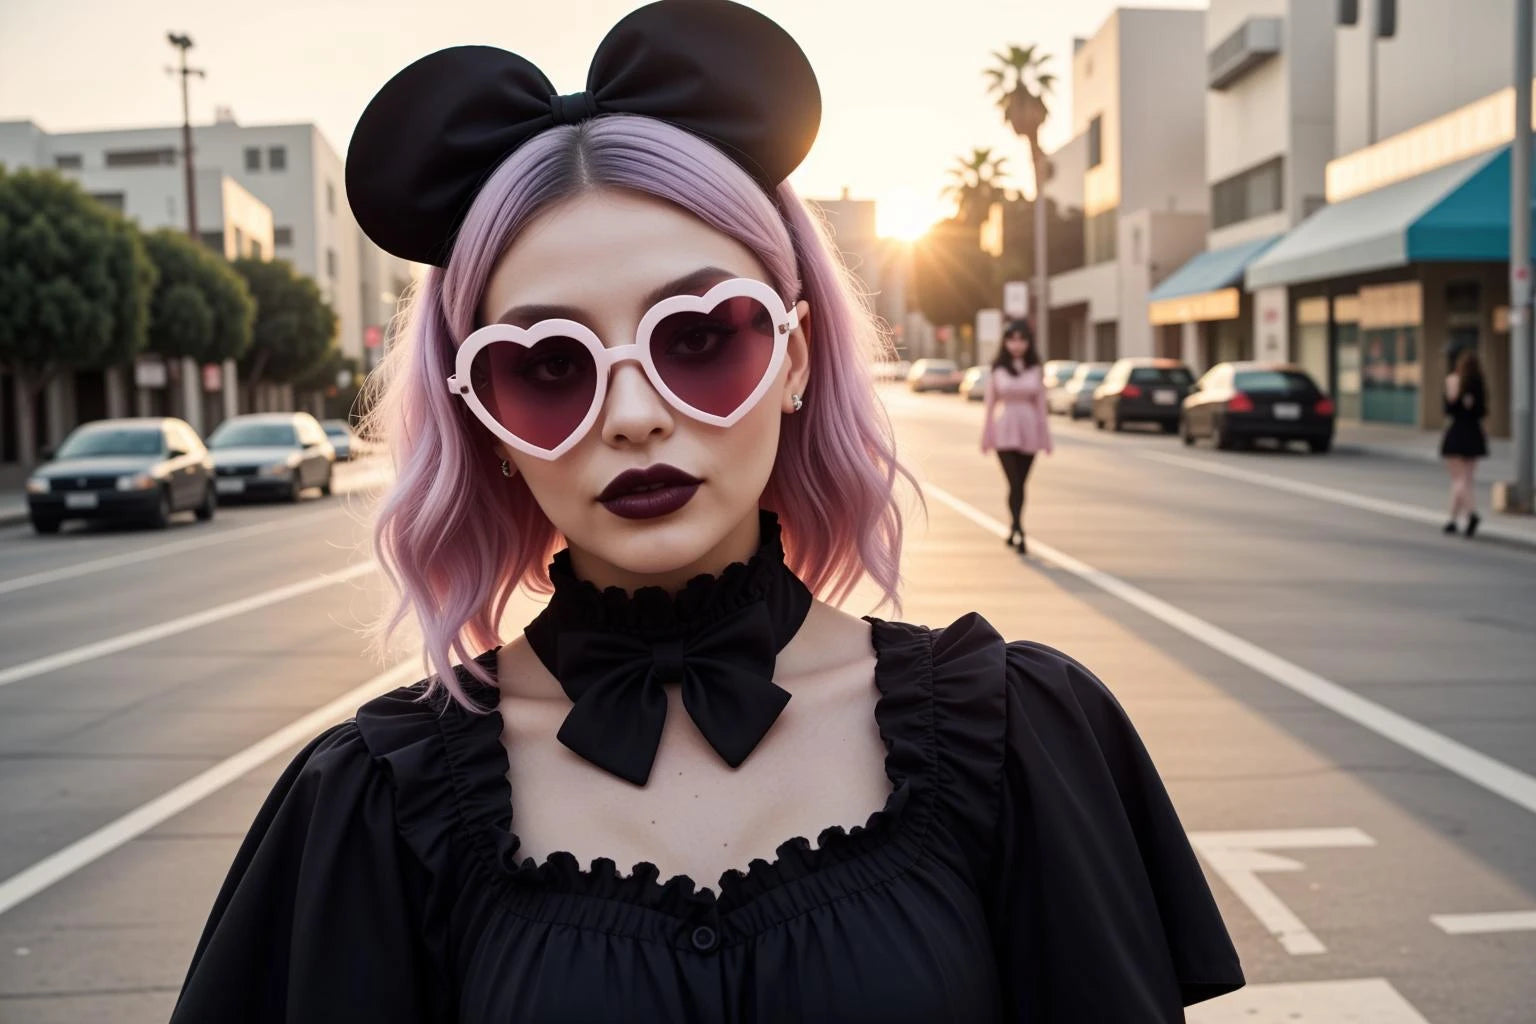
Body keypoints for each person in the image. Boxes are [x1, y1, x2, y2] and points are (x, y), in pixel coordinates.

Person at [170, 3, 1243, 1020]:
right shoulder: (369, 809)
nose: (634, 415)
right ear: (484, 417)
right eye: (548, 365)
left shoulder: (1013, 738)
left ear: (794, 356)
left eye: (699, 336)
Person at [980, 320, 1053, 553]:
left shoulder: (1035, 369)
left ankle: (1015, 527)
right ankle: (1018, 528)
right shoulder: (998, 368)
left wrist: (1045, 437)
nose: (1017, 345)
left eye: (1022, 339)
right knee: (1013, 483)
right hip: (1005, 430)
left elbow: (1041, 407)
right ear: (1005, 341)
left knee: (1021, 483)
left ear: (1029, 342)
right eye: (1012, 339)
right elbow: (990, 406)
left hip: (1029, 429)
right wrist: (986, 435)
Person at [1440, 349, 1488, 537]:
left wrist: (1454, 393)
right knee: (1466, 480)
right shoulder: (1479, 384)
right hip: (1474, 433)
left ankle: (1471, 513)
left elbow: (1449, 408)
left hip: (1458, 433)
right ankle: (1452, 520)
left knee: (1458, 480)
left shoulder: (1454, 381)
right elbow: (1483, 412)